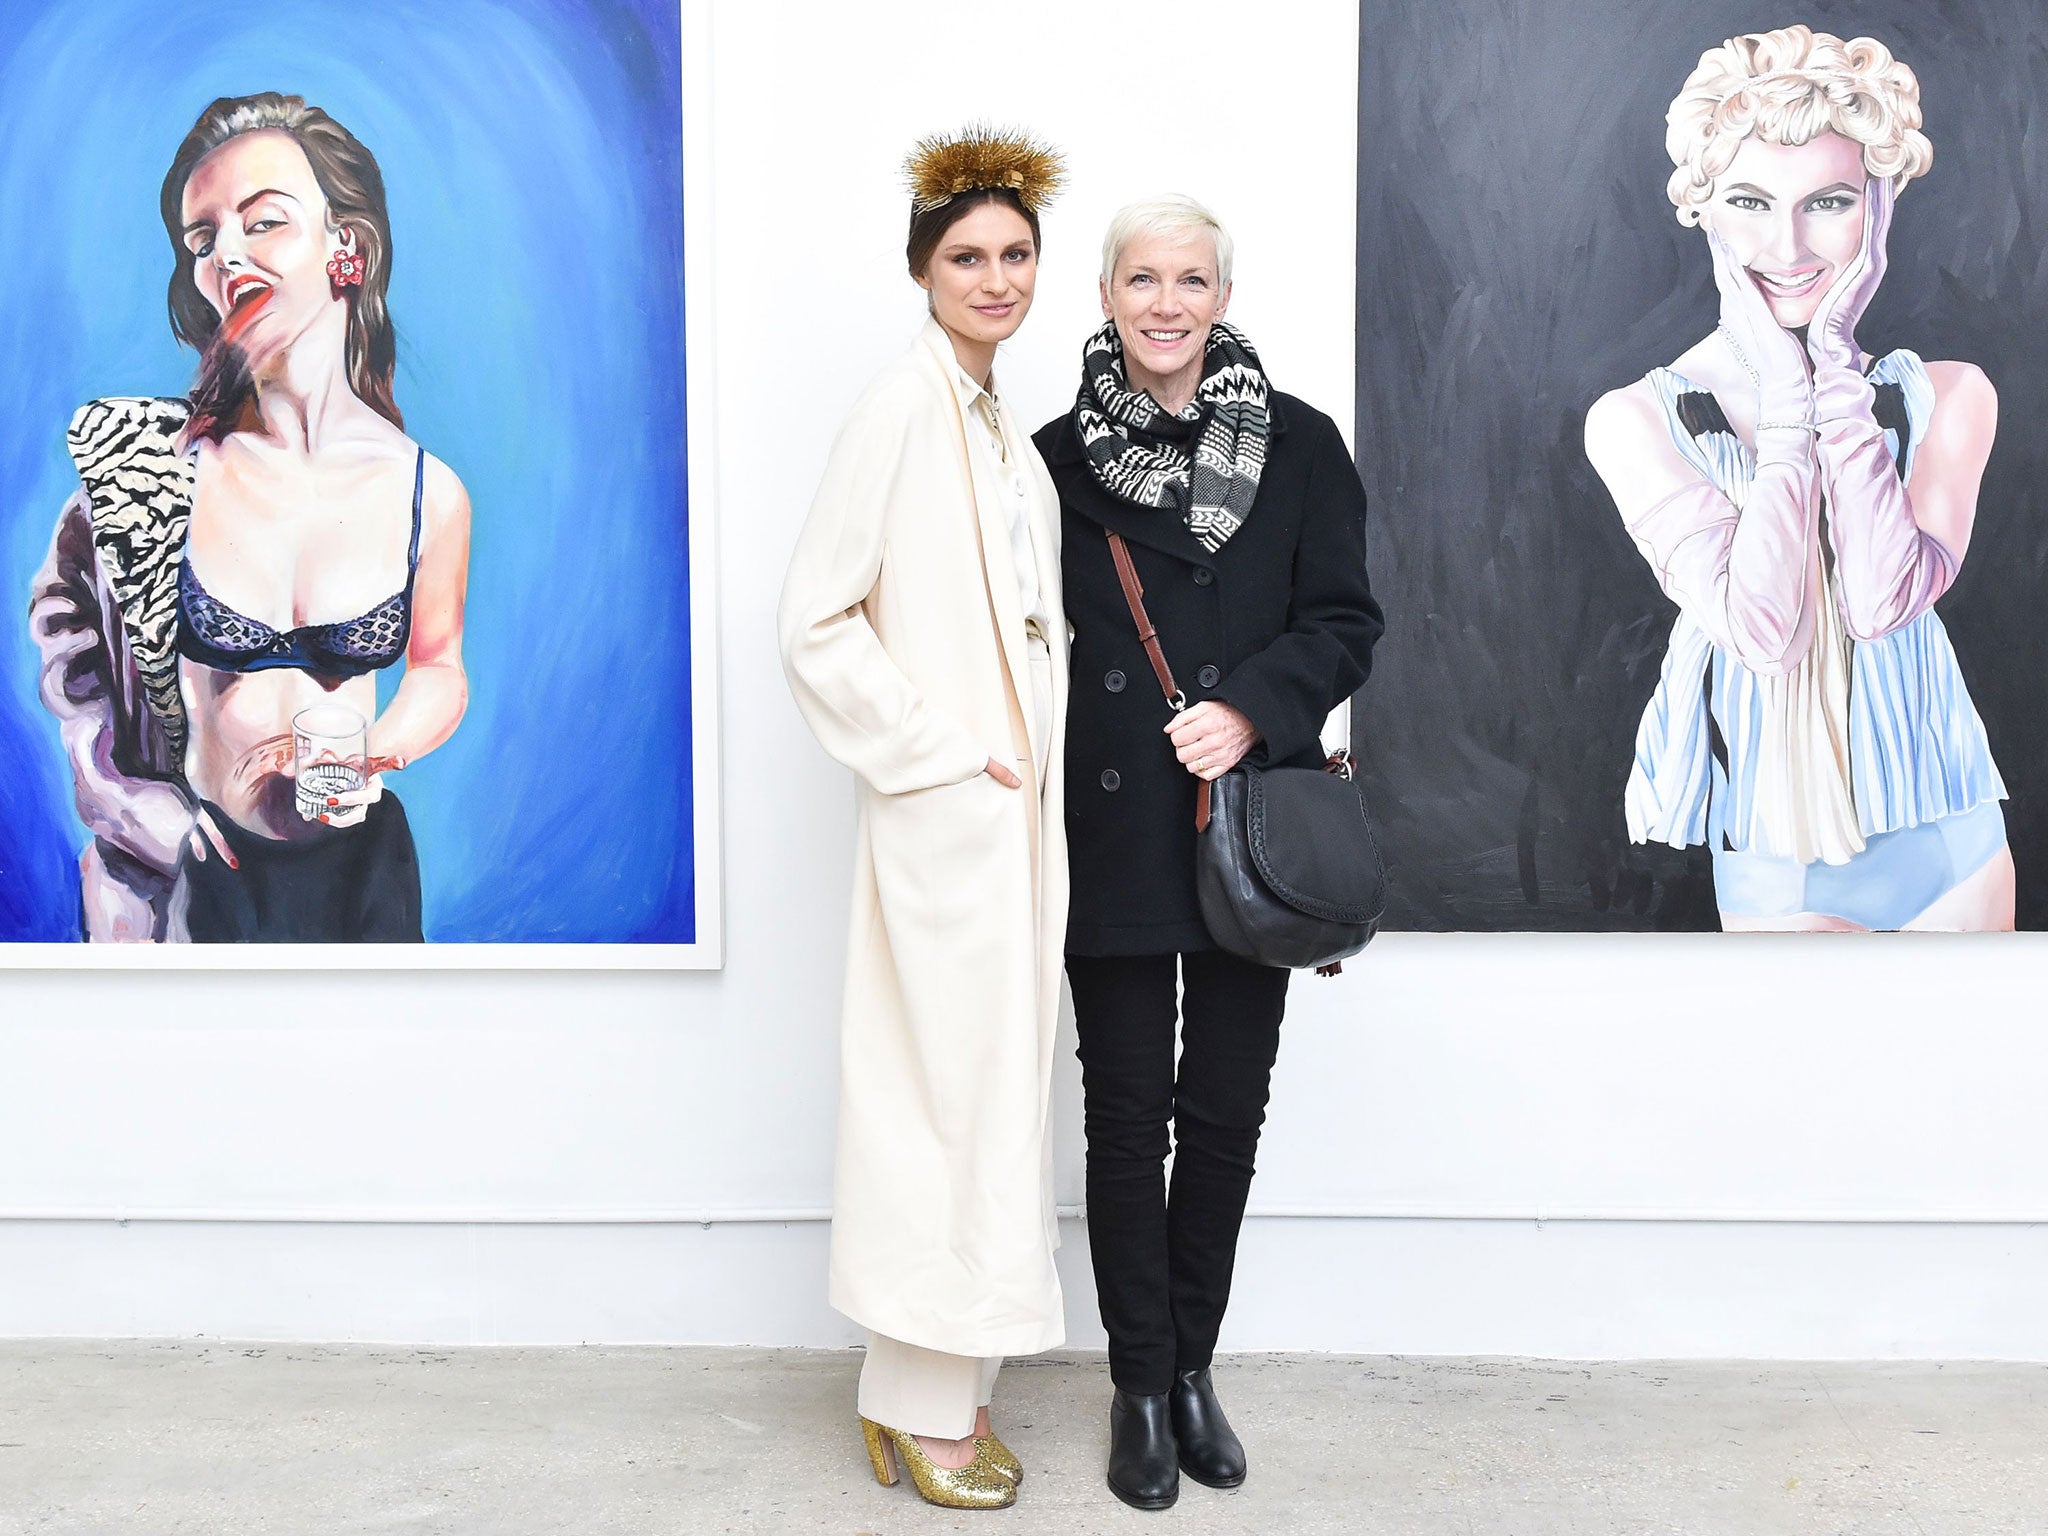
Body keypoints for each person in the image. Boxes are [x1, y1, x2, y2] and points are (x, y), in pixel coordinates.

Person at [1033, 195, 1382, 1510]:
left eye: (1190, 279)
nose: (1166, 302)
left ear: (1221, 294)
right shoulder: (1053, 461)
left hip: (1251, 829)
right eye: (1142, 279)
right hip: (1116, 822)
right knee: (1126, 1119)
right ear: (1109, 295)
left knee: (1224, 1111)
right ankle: (1137, 1380)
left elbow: (1347, 619)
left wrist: (1251, 710)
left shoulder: (1300, 448)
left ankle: (1193, 1371)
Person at [777, 127, 1069, 1512]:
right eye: (969, 257)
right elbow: (813, 623)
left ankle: (942, 1388)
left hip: (1011, 827)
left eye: (1015, 254)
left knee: (985, 1099)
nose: (996, 277)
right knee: (934, 1104)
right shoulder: (902, 408)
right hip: (951, 817)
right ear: (921, 270)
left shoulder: (991, 413)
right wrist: (942, 758)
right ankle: (911, 1403)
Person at [1586, 26, 2010, 932]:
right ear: (1702, 206)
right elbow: (1764, 631)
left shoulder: (1948, 395)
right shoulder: (1637, 420)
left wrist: (1833, 383)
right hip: (1781, 864)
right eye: (1748, 200)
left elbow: (1878, 600)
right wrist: (1786, 397)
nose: (1786, 245)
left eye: (1827, 201)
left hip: (1953, 837)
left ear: (1878, 209)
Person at [30, 92, 471, 942]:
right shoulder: (148, 471)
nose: (225, 255)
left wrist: (375, 755)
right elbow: (70, 651)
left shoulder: (429, 491)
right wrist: (142, 814)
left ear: (348, 247)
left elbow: (439, 668)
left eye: (262, 222)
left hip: (362, 881)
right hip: (187, 888)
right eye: (203, 240)